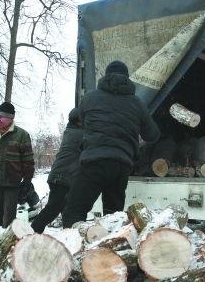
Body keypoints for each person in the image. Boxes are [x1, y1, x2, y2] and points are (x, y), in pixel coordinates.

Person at [62, 61, 160, 228]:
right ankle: (111, 248)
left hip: (93, 162)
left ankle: (73, 249)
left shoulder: (89, 98)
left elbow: (84, 123)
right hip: (121, 165)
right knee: (113, 218)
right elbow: (152, 136)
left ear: (105, 76)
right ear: (127, 79)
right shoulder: (137, 103)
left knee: (74, 211)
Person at [31, 108, 83, 233]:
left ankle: (69, 235)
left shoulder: (71, 131)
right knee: (53, 209)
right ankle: (31, 232)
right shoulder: (79, 134)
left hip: (61, 177)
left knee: (67, 210)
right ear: (79, 121)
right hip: (62, 177)